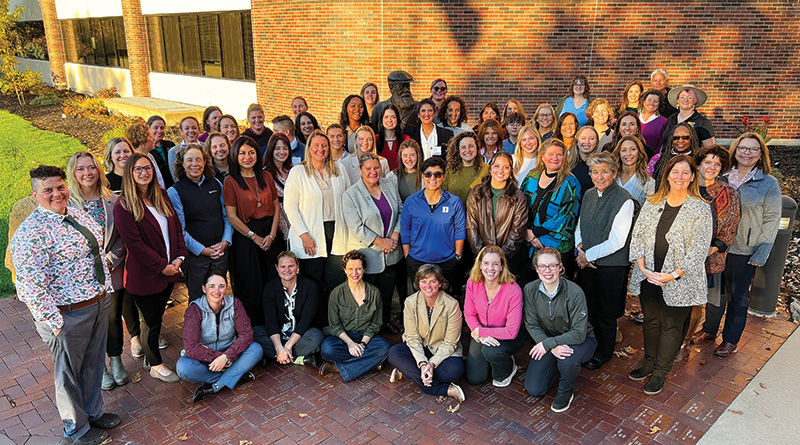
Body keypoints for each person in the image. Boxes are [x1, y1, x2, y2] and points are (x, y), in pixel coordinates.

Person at [11, 165, 120, 445]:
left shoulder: (76, 215)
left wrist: (105, 291)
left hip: (96, 303)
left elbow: (97, 252)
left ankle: (93, 413)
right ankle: (76, 428)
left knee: (93, 364)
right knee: (68, 374)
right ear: (35, 195)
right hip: (66, 315)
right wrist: (55, 323)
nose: (57, 193)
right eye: (47, 190)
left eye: (60, 187)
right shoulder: (30, 234)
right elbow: (30, 286)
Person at [627, 155, 712, 395]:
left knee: (671, 326)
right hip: (649, 274)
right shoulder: (653, 202)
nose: (679, 177)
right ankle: (649, 363)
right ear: (667, 175)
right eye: (675, 172)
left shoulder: (700, 209)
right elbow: (638, 235)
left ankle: (661, 372)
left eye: (685, 172)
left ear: (693, 177)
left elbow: (699, 249)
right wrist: (643, 268)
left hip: (680, 279)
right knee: (651, 321)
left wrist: (673, 275)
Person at [694, 133, 781, 357]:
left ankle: (730, 339)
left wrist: (761, 252)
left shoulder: (768, 184)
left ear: (761, 154)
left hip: (744, 250)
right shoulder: (722, 176)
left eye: (753, 149)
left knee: (737, 297)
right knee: (715, 293)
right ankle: (709, 329)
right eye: (742, 148)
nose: (746, 153)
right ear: (735, 150)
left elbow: (771, 220)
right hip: (717, 247)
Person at [114, 153, 187, 382]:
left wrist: (179, 257)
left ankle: (149, 358)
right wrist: (162, 266)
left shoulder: (161, 195)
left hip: (169, 270)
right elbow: (135, 245)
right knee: (151, 322)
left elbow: (176, 227)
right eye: (138, 169)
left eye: (147, 168)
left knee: (156, 317)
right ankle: (155, 364)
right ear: (130, 173)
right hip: (146, 275)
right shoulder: (124, 206)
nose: (144, 172)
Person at [67, 151, 136, 391]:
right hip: (82, 275)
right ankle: (100, 368)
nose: (87, 173)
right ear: (73, 173)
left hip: (111, 269)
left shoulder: (113, 200)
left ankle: (116, 360)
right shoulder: (67, 205)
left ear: (98, 170)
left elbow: (123, 236)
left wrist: (110, 260)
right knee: (92, 323)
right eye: (80, 169)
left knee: (113, 318)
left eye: (91, 167)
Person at [673, 146, 740, 362]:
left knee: (699, 301)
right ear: (698, 164)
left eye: (717, 164)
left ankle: (685, 343)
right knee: (678, 300)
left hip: (710, 258)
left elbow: (729, 228)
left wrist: (707, 250)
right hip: (679, 256)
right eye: (707, 162)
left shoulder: (728, 193)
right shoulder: (684, 186)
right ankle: (673, 339)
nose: (712, 167)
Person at [574, 152, 636, 370]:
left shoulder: (624, 200)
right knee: (590, 308)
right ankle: (590, 345)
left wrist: (587, 256)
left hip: (611, 266)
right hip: (587, 262)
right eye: (595, 172)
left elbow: (617, 241)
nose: (599, 177)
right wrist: (579, 248)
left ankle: (604, 352)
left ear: (614, 173)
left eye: (604, 172)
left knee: (606, 312)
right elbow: (580, 224)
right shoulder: (589, 194)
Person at [523, 248, 596, 413]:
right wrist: (551, 346)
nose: (547, 271)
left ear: (560, 267)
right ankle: (555, 365)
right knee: (535, 389)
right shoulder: (530, 289)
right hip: (549, 340)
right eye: (542, 266)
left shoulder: (574, 292)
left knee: (567, 360)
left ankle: (566, 390)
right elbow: (532, 324)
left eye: (552, 266)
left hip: (581, 340)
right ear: (536, 268)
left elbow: (579, 333)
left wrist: (548, 344)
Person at [284, 130, 351, 307]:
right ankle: (315, 320)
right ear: (309, 148)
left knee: (336, 279)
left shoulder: (339, 169)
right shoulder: (298, 172)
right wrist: (304, 235)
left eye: (324, 145)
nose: (320, 149)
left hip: (337, 232)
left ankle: (333, 319)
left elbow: (349, 199)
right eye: (316, 145)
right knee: (314, 282)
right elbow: (290, 207)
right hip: (311, 233)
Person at [176, 270, 263, 403]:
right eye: (212, 286)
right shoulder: (194, 310)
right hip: (205, 356)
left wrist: (227, 356)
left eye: (221, 286)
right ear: (204, 288)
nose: (217, 291)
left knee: (256, 349)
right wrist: (219, 358)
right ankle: (236, 375)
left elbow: (246, 334)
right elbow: (191, 347)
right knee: (183, 367)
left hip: (230, 351)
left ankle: (217, 386)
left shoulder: (235, 304)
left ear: (226, 288)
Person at [223, 136, 281, 327]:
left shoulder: (266, 176)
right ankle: (253, 327)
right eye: (242, 153)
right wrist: (254, 237)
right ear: (235, 156)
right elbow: (232, 216)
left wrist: (272, 235)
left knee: (273, 279)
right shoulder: (230, 181)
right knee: (250, 283)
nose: (247, 157)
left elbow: (276, 207)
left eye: (251, 152)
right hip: (246, 236)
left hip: (270, 232)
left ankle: (275, 323)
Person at [343, 153, 403, 334]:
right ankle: (367, 329)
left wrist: (394, 237)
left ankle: (384, 323)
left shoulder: (389, 184)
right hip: (368, 255)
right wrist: (382, 242)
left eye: (376, 168)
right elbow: (356, 228)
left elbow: (401, 211)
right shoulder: (351, 195)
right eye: (368, 168)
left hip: (392, 252)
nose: (373, 172)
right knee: (368, 296)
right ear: (360, 170)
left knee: (387, 294)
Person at [387, 263, 465, 402]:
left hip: (443, 351)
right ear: (418, 284)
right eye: (423, 281)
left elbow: (450, 343)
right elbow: (412, 337)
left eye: (433, 281)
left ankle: (408, 373)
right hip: (420, 348)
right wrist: (423, 364)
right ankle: (446, 389)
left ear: (440, 283)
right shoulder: (410, 302)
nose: (428, 286)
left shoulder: (452, 305)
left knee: (454, 372)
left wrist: (431, 364)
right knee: (394, 353)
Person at [167, 144, 232, 301]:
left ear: (205, 162)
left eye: (198, 159)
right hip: (195, 259)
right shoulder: (175, 191)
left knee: (218, 298)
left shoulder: (216, 183)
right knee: (198, 300)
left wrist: (225, 241)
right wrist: (202, 250)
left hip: (220, 254)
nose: (194, 164)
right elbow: (179, 229)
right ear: (182, 164)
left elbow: (227, 216)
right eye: (189, 160)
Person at [319, 251, 391, 381]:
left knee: (384, 348)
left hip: (366, 338)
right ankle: (370, 363)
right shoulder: (337, 293)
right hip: (344, 338)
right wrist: (351, 343)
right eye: (350, 269)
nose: (355, 273)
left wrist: (362, 344)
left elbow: (375, 324)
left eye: (358, 268)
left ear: (364, 269)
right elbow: (335, 326)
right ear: (345, 270)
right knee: (327, 349)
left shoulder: (374, 293)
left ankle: (338, 368)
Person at [519, 139, 581, 282]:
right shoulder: (532, 176)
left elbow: (566, 215)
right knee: (529, 287)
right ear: (542, 156)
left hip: (556, 248)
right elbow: (520, 204)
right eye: (550, 154)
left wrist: (535, 233)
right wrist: (526, 232)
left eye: (559, 154)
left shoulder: (570, 182)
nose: (555, 158)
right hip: (529, 244)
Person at [401, 156, 466, 292]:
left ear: (444, 177)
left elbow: (460, 231)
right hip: (417, 260)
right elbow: (405, 230)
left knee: (443, 300)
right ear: (422, 176)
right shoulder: (411, 202)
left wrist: (457, 256)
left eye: (437, 174)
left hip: (446, 262)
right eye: (428, 174)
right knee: (420, 299)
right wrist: (408, 256)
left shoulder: (455, 202)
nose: (432, 178)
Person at [464, 246, 523, 387]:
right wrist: (479, 335)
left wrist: (480, 332)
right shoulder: (473, 282)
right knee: (475, 378)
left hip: (507, 335)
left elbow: (511, 332)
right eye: (486, 263)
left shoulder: (513, 290)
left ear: (502, 266)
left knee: (491, 352)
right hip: (481, 332)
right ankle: (492, 360)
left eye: (495, 264)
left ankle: (507, 368)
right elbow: (469, 313)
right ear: (480, 265)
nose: (490, 268)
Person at [466, 151, 528, 275]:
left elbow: (518, 231)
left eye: (506, 167)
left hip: (508, 259)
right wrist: (483, 256)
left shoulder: (518, 196)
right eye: (496, 166)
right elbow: (471, 227)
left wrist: (500, 258)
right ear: (490, 168)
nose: (500, 170)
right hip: (481, 259)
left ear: (511, 171)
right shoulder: (477, 192)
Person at [258, 251, 324, 366]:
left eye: (291, 266)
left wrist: (288, 346)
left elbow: (306, 320)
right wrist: (279, 347)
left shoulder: (310, 287)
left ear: (297, 267)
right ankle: (298, 359)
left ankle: (276, 355)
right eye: (282, 266)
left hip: (301, 335)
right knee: (254, 334)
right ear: (277, 268)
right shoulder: (270, 288)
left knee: (316, 338)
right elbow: (271, 321)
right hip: (279, 334)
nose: (287, 270)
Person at [661, 84, 715, 150]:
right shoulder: (671, 119)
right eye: (682, 97)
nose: (685, 100)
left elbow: (710, 149)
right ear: (678, 100)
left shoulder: (703, 123)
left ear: (695, 101)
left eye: (690, 97)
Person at [263, 133, 294, 242]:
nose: (282, 152)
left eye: (285, 148)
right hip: (278, 227)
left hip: (296, 221)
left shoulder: (292, 171)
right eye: (277, 148)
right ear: (271, 150)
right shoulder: (265, 174)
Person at [443, 131, 488, 206]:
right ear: (458, 150)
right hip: (453, 212)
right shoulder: (448, 170)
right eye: (463, 147)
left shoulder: (486, 170)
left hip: (478, 212)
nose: (467, 150)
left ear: (477, 148)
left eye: (471, 146)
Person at [614, 136, 655, 205]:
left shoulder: (649, 183)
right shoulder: (611, 178)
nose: (628, 153)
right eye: (624, 150)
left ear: (639, 152)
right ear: (619, 153)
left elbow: (649, 209)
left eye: (633, 149)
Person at [124, 122, 165, 188]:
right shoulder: (133, 161)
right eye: (150, 137)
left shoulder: (150, 156)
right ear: (142, 140)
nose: (154, 139)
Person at [375, 104, 410, 171]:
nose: (389, 120)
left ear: (397, 119)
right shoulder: (374, 140)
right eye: (386, 117)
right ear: (381, 119)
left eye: (393, 117)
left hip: (401, 176)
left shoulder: (405, 139)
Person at [568, 126, 600, 197]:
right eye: (583, 138)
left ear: (596, 142)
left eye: (591, 138)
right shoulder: (567, 164)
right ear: (577, 142)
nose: (587, 142)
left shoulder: (600, 165)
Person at [166, 116, 201, 183]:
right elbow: (176, 177)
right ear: (181, 132)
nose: (191, 131)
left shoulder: (206, 147)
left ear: (199, 130)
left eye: (194, 128)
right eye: (187, 128)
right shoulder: (173, 151)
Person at [147, 115, 175, 187]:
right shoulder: (147, 149)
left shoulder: (170, 145)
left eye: (162, 128)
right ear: (148, 129)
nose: (159, 131)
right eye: (156, 128)